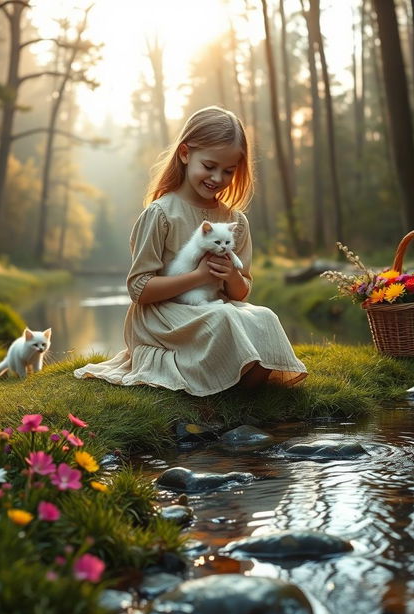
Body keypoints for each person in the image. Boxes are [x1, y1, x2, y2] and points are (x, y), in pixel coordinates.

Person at [74, 106, 307, 396]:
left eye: (228, 171)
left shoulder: (235, 222)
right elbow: (139, 289)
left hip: (211, 308)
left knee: (264, 318)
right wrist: (198, 277)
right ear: (185, 154)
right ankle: (219, 385)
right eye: (209, 166)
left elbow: (241, 292)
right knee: (224, 320)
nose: (217, 178)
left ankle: (234, 387)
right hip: (162, 316)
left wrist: (232, 275)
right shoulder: (161, 214)